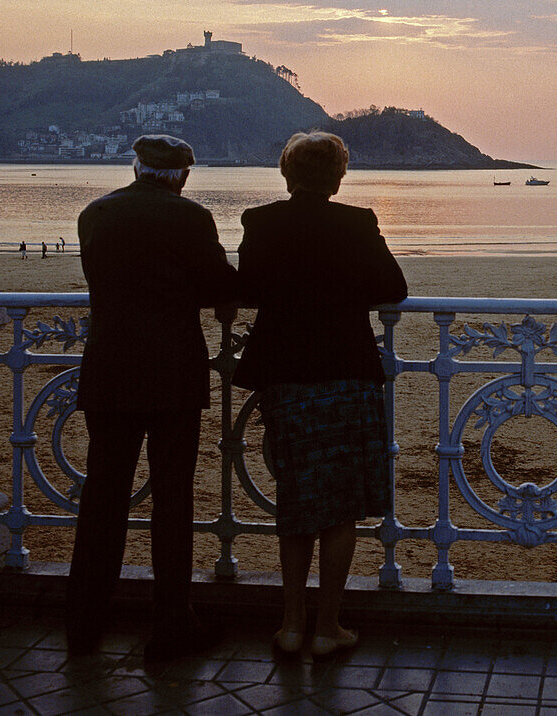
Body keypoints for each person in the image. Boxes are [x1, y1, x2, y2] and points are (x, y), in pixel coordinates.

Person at [233, 131, 407, 660]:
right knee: (340, 510)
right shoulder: (357, 223)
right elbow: (392, 288)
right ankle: (328, 628)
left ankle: (290, 627)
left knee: (297, 501)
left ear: (287, 175)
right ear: (337, 177)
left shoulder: (260, 222)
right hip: (347, 376)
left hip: (285, 379)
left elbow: (250, 290)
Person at [66, 134, 239, 660]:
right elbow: (219, 286)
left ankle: (84, 623)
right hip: (172, 374)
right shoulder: (190, 218)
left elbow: (100, 280)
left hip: (110, 369)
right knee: (172, 501)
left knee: (102, 496)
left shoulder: (96, 213)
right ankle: (170, 625)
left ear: (136, 167)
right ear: (182, 175)